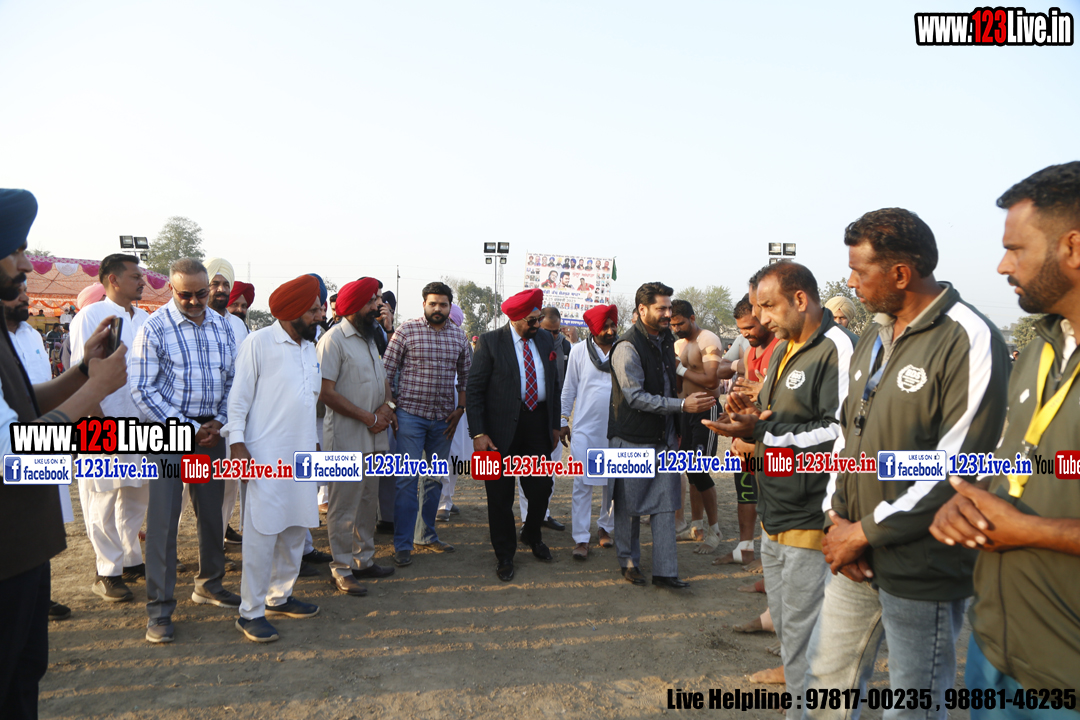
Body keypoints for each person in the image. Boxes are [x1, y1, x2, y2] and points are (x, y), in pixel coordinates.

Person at [802, 208, 1010, 719]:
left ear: (900, 273)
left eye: (859, 272)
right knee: (825, 683)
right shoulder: (873, 337)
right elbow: (848, 437)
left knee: (912, 704)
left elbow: (959, 467)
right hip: (854, 554)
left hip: (923, 566)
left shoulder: (968, 338)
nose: (851, 284)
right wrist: (836, 519)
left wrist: (864, 532)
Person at [930, 161, 1080, 713]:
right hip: (995, 649)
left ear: (1073, 248)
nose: (1001, 265)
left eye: (1015, 249)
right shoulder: (1042, 346)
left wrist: (1032, 531)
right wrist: (972, 501)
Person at [0, 189, 128, 718]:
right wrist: (94, 391)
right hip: (6, 553)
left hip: (23, 546)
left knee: (25, 672)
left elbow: (22, 402)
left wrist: (80, 371)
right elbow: (16, 452)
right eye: (15, 251)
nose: (26, 264)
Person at [705, 261, 856, 709]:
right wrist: (749, 415)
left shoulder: (837, 348)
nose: (761, 318)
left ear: (800, 300)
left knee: (811, 625)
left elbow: (840, 432)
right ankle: (793, 674)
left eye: (768, 307)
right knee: (788, 615)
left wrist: (761, 434)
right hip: (775, 506)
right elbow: (778, 414)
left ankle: (805, 693)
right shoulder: (785, 348)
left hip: (811, 510)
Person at [131, 257, 240, 644]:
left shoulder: (222, 326)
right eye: (185, 295)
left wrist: (219, 422)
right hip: (168, 436)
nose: (194, 302)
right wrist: (188, 429)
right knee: (163, 522)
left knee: (212, 514)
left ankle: (210, 583)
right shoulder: (154, 327)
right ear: (171, 290)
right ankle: (159, 609)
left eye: (201, 293)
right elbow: (142, 390)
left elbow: (234, 379)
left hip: (212, 434)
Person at [227, 275, 324, 642]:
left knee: (297, 527)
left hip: (302, 455)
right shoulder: (258, 343)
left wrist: (314, 444)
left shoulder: (309, 348)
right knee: (262, 535)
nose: (319, 316)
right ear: (292, 312)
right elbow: (238, 399)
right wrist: (237, 444)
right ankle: (250, 612)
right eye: (313, 310)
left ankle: (279, 596)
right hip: (264, 456)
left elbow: (306, 402)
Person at [608, 282, 715, 589]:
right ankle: (629, 562)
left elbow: (671, 382)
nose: (668, 313)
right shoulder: (626, 347)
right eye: (662, 308)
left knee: (666, 505)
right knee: (628, 507)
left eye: (669, 308)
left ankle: (666, 572)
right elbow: (635, 397)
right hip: (630, 439)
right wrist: (682, 406)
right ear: (642, 310)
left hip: (665, 439)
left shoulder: (667, 340)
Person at [69, 254, 152, 602]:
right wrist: (95, 416)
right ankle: (106, 571)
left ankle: (130, 559)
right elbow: (82, 370)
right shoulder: (91, 316)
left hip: (140, 420)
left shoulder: (145, 318)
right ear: (113, 280)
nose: (142, 282)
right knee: (102, 496)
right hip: (101, 420)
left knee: (136, 492)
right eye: (135, 276)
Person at [467, 288, 562, 581]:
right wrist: (478, 433)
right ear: (516, 319)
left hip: (537, 425)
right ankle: (505, 554)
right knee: (499, 496)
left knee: (541, 488)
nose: (538, 325)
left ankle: (531, 534)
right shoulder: (490, 342)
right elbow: (474, 390)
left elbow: (554, 383)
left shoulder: (544, 339)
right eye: (532, 321)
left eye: (539, 318)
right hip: (498, 431)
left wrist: (554, 424)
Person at [382, 281, 470, 566]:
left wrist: (460, 409)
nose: (437, 309)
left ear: (449, 306)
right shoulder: (406, 331)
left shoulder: (459, 337)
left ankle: (426, 535)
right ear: (424, 304)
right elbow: (386, 371)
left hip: (444, 419)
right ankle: (403, 543)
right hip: (410, 415)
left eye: (443, 304)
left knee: (434, 479)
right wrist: (391, 407)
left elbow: (466, 378)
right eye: (433, 303)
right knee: (407, 480)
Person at [319, 277, 397, 595]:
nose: (378, 305)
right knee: (343, 507)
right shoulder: (332, 340)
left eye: (378, 299)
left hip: (374, 437)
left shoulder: (369, 337)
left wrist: (388, 407)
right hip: (346, 439)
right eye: (372, 300)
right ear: (353, 306)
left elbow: (383, 380)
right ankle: (341, 568)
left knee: (366, 502)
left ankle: (363, 560)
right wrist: (369, 417)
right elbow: (326, 393)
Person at [714, 292, 780, 570]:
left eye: (750, 327)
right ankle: (745, 549)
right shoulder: (751, 351)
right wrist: (731, 417)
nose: (745, 334)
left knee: (770, 497)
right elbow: (747, 396)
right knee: (745, 491)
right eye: (741, 329)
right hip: (746, 436)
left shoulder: (781, 348)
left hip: (772, 438)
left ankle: (770, 557)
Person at [560, 304, 618, 560]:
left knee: (613, 484)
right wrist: (563, 419)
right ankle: (581, 538)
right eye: (605, 326)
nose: (611, 330)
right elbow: (569, 388)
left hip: (617, 429)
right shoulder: (578, 351)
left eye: (613, 325)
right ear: (594, 329)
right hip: (585, 429)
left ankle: (606, 528)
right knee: (582, 483)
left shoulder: (623, 349)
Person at [669, 299, 723, 554]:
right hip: (686, 412)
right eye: (672, 325)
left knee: (700, 472)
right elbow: (680, 383)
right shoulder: (682, 344)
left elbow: (712, 380)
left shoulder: (707, 339)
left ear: (692, 318)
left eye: (680, 323)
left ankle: (715, 531)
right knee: (690, 471)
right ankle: (697, 527)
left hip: (706, 410)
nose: (676, 328)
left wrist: (680, 370)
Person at [204, 257, 246, 548]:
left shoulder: (239, 326)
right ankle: (175, 545)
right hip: (199, 419)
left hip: (232, 417)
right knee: (186, 487)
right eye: (215, 283)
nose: (221, 289)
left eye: (225, 284)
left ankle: (217, 541)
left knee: (229, 483)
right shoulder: (196, 320)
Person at [518, 306, 571, 532]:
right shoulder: (529, 344)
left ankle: (543, 514)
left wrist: (562, 420)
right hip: (529, 416)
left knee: (549, 470)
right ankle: (527, 519)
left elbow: (565, 386)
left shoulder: (566, 347)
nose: (552, 336)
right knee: (526, 470)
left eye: (556, 331)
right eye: (548, 331)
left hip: (554, 417)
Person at [5, 284, 50, 385]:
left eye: (24, 291)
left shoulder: (34, 335)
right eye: (15, 292)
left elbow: (44, 387)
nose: (25, 298)